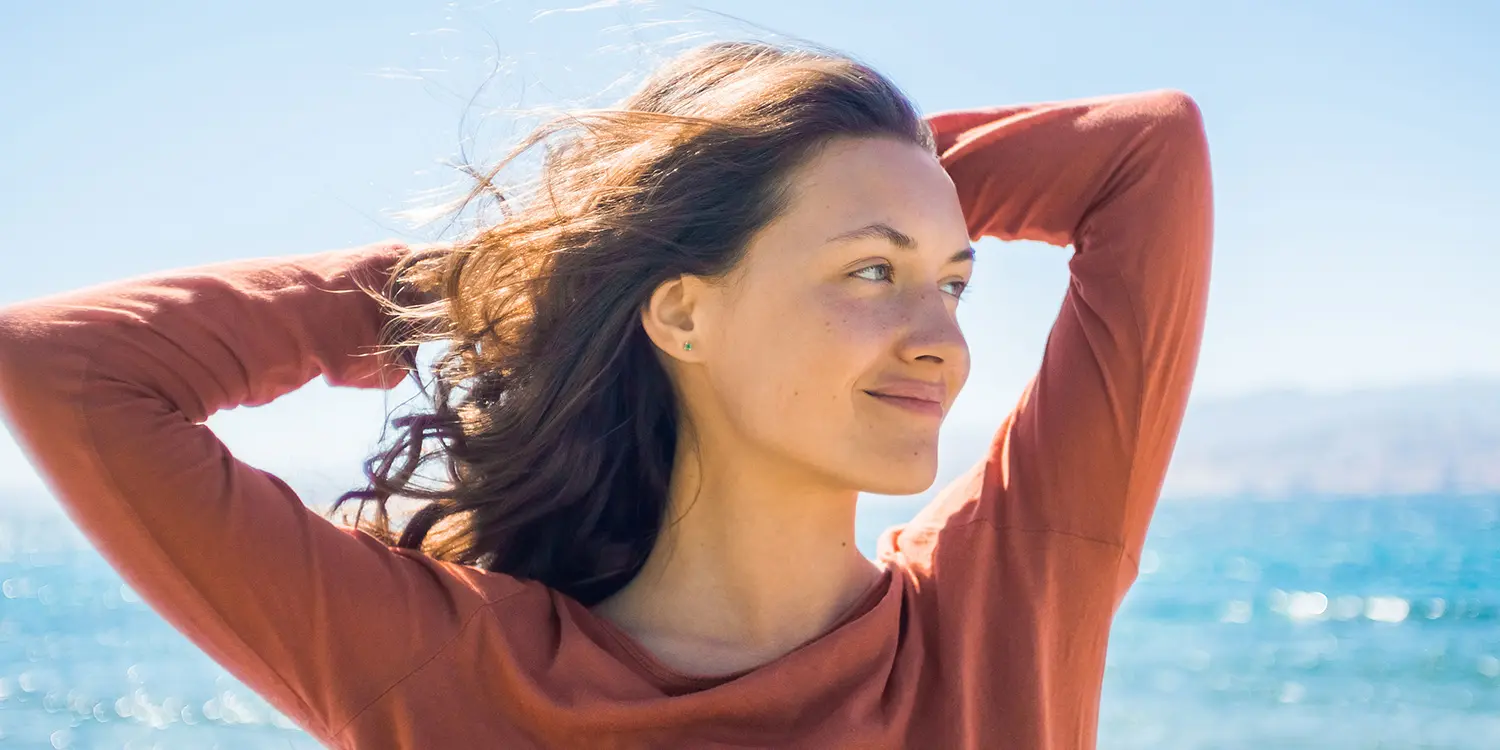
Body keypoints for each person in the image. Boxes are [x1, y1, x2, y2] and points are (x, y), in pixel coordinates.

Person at [0, 39, 1212, 749]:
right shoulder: (448, 670)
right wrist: (519, 274)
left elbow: (1148, 152)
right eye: (872, 272)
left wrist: (817, 194)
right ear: (681, 310)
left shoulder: (1006, 612)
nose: (940, 339)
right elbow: (69, 365)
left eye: (952, 280)